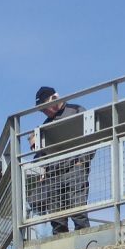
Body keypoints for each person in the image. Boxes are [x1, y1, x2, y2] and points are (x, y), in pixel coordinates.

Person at [28, 87, 92, 234]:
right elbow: (41, 154)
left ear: (54, 98)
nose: (45, 112)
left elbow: (91, 136)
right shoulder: (44, 126)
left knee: (78, 212)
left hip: (74, 168)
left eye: (45, 108)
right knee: (57, 220)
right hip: (53, 174)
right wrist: (41, 167)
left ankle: (85, 243)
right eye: (42, 110)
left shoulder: (76, 111)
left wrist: (82, 162)